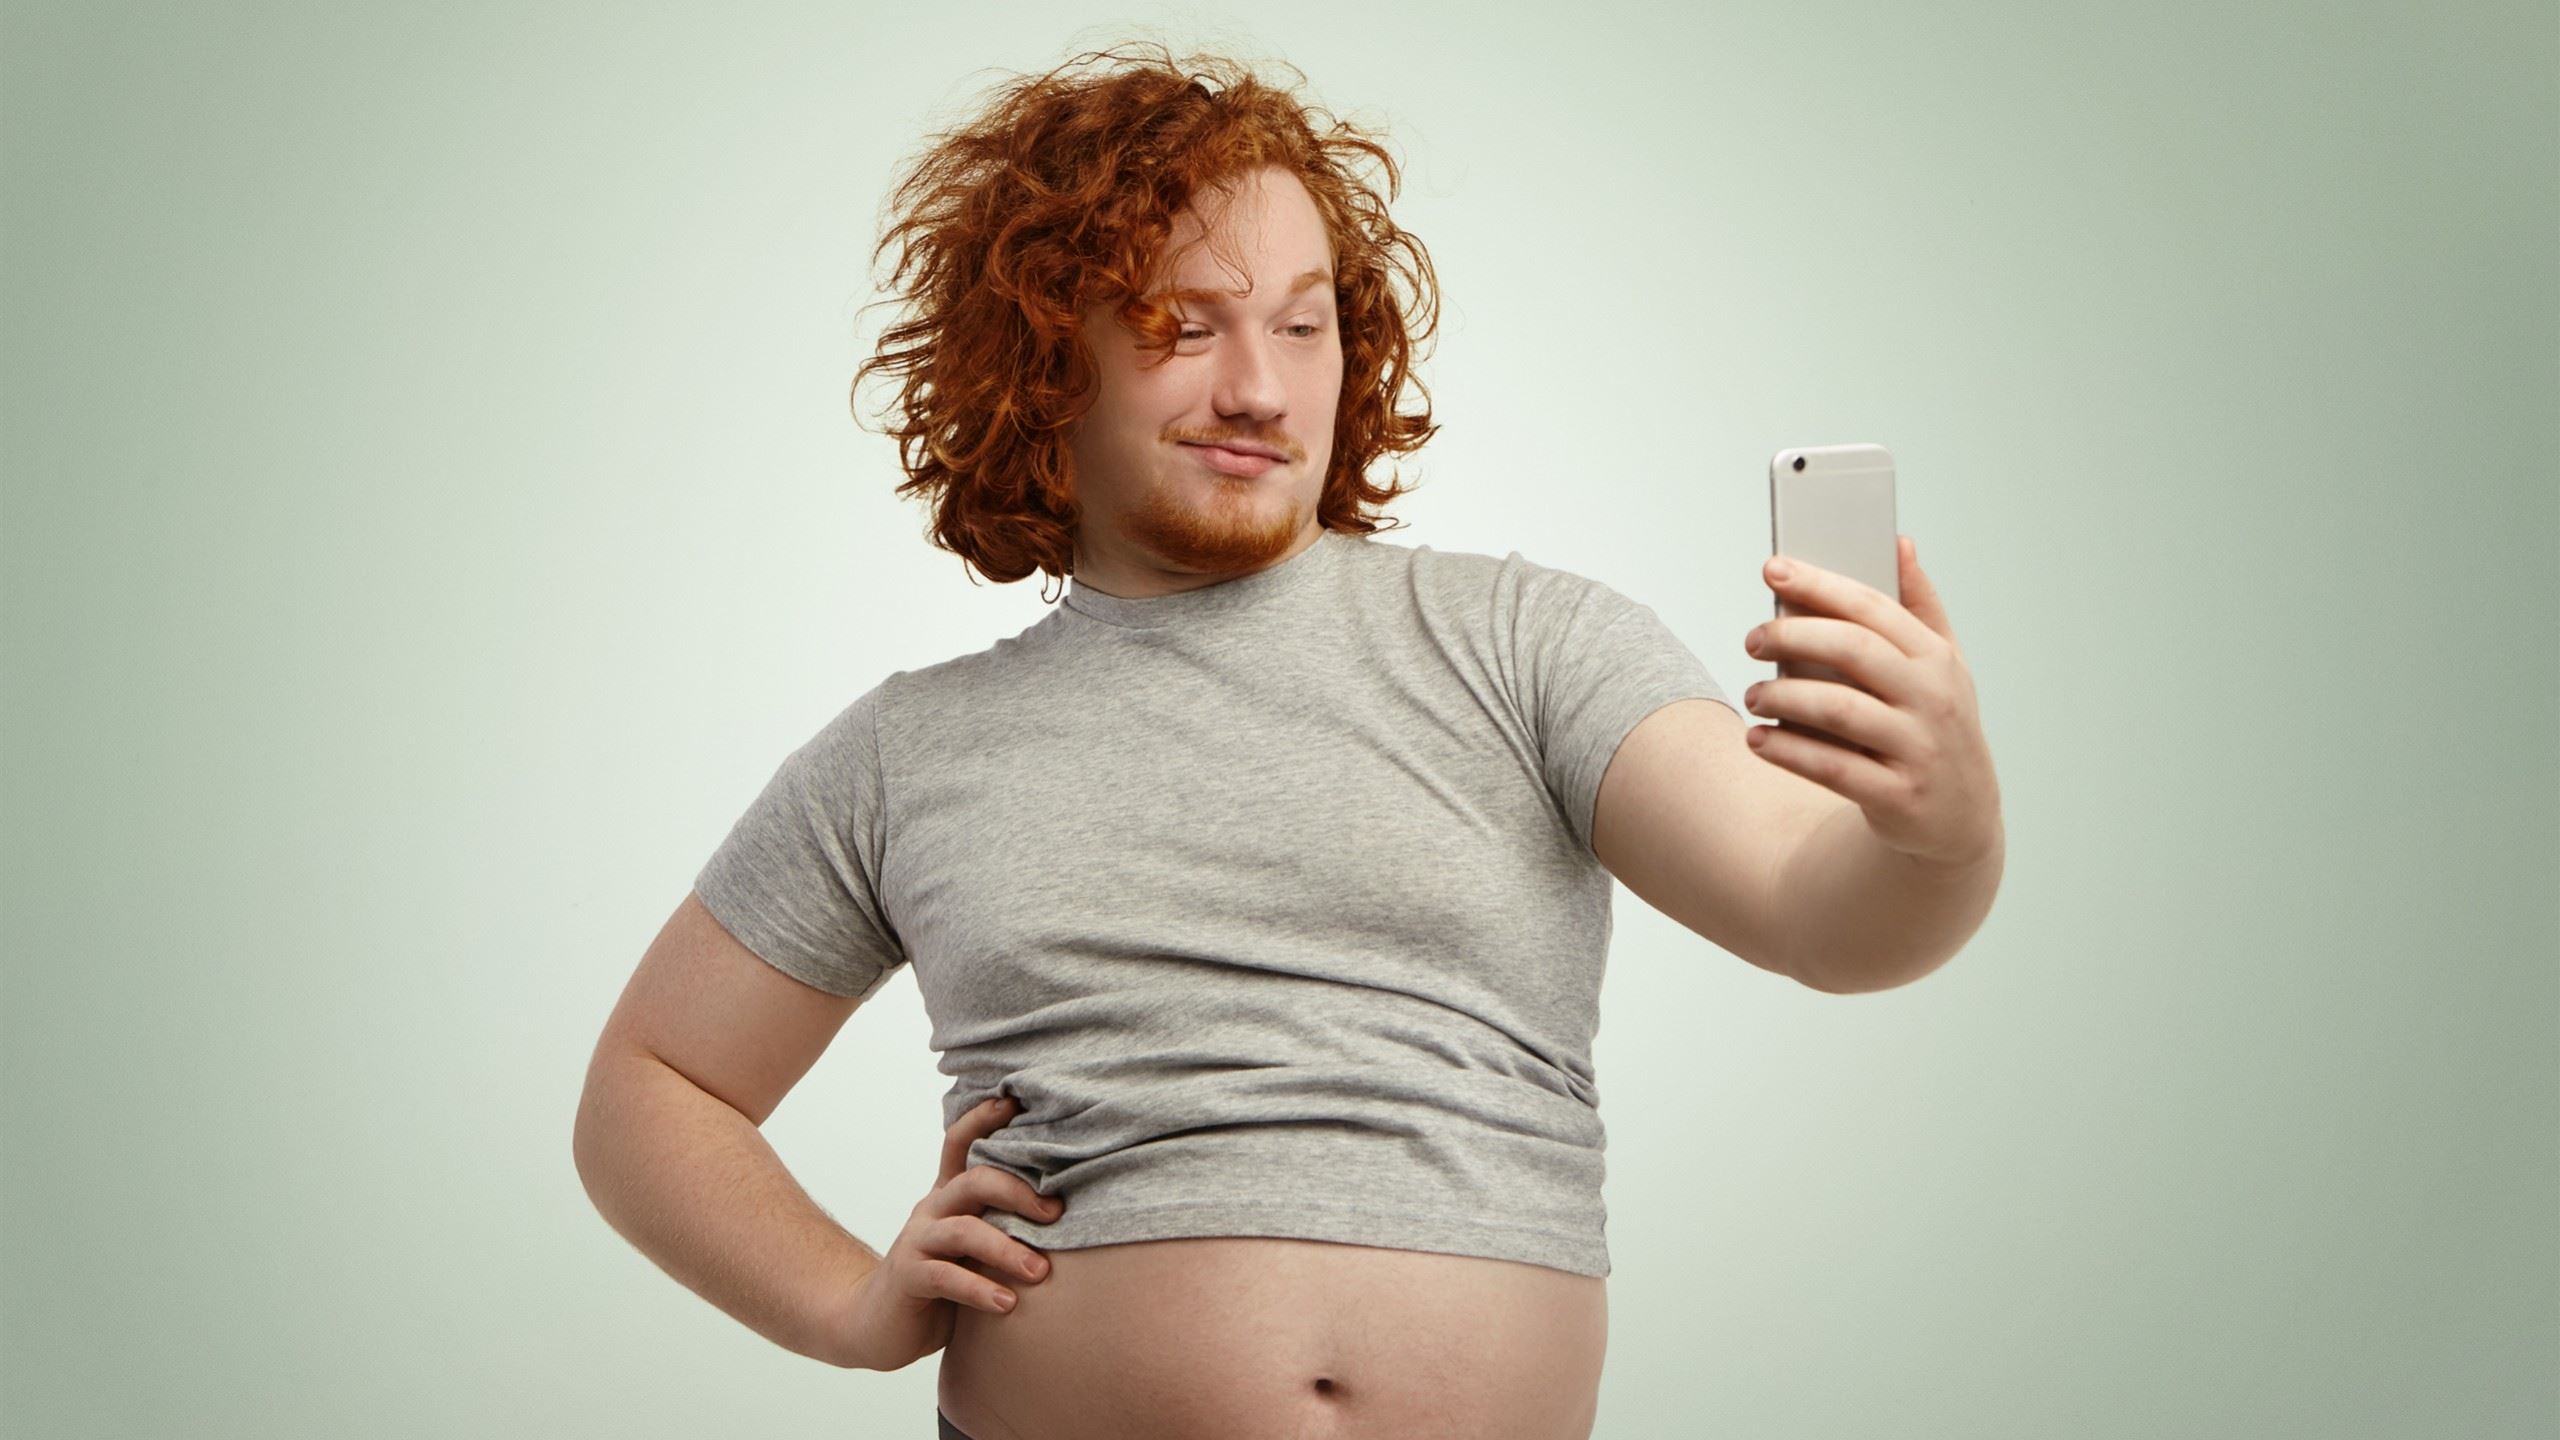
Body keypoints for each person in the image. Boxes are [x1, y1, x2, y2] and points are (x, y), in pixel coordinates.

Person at [576, 40, 1874, 1440]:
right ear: (1040, 364)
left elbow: (1821, 910)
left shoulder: (1528, 647)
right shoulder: (908, 753)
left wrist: (1934, 821)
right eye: (1185, 327)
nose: (1260, 388)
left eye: (1303, 325)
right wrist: (849, 1307)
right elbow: (651, 1094)